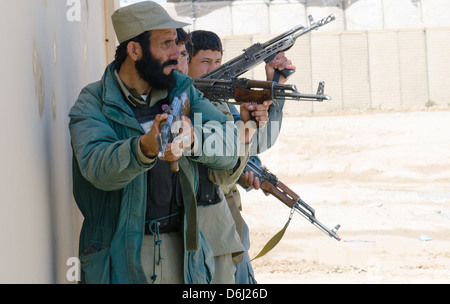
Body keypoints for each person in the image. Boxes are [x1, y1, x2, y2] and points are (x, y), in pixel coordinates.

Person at [68, 1, 239, 284]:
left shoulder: (183, 90)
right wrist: (144, 148)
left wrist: (194, 139)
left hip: (182, 251)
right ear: (134, 50)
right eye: (165, 44)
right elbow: (98, 168)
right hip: (120, 256)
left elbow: (230, 145)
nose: (177, 53)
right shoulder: (93, 102)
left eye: (176, 42)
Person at [186, 30, 296, 284]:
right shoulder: (186, 104)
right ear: (185, 63)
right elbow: (212, 159)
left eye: (217, 62)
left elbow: (257, 142)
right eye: (205, 62)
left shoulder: (220, 103)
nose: (213, 69)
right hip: (205, 222)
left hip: (228, 218)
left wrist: (272, 89)